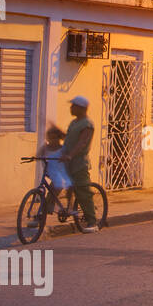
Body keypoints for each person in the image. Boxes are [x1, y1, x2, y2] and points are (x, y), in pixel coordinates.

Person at [61, 96, 98, 232]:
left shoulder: (87, 124)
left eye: (74, 106)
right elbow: (69, 140)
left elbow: (82, 143)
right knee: (57, 184)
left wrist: (70, 155)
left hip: (79, 162)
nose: (71, 108)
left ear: (82, 108)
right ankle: (40, 216)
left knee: (83, 192)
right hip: (67, 161)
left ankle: (92, 222)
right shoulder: (73, 123)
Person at [40, 124, 72, 208]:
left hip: (62, 172)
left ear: (59, 138)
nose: (52, 140)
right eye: (50, 138)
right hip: (51, 171)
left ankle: (69, 205)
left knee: (59, 186)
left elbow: (68, 159)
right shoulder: (45, 147)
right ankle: (47, 207)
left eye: (55, 138)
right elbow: (39, 155)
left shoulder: (62, 148)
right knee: (52, 189)